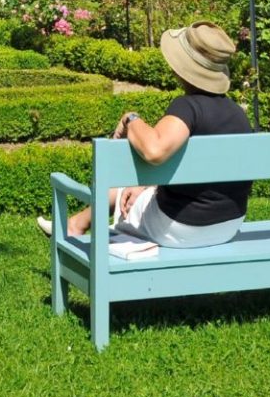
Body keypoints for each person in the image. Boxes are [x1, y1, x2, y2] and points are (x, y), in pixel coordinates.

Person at [38, 21, 253, 248]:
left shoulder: (187, 107)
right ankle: (77, 224)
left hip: (180, 227)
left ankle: (76, 226)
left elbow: (154, 151)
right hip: (228, 225)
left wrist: (131, 119)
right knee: (135, 188)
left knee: (122, 190)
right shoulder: (238, 113)